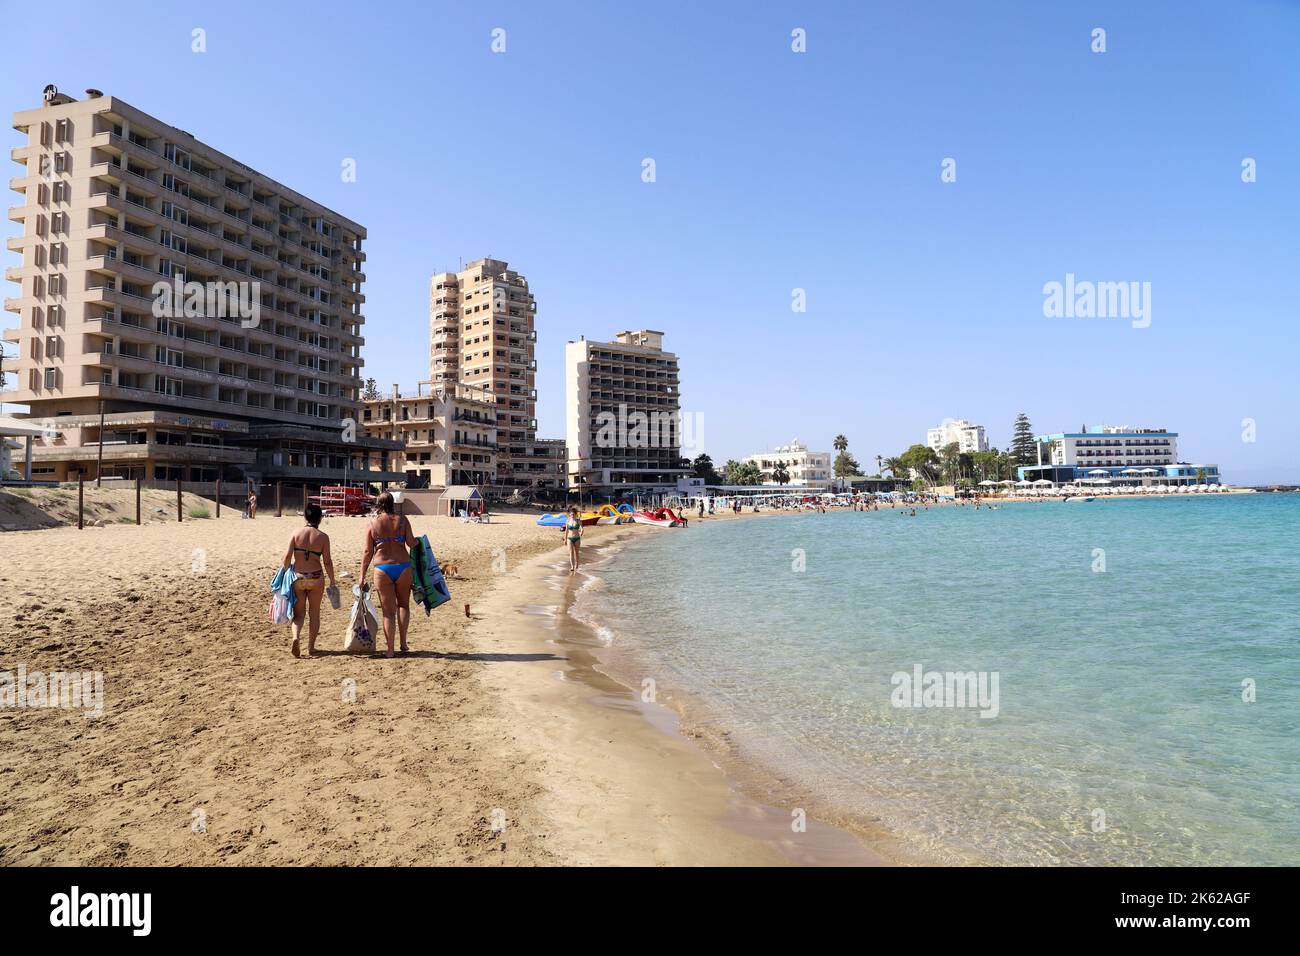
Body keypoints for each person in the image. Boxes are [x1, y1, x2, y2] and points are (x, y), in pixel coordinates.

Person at [360, 492, 415, 658]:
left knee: (387, 612)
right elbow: (411, 543)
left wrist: (362, 575)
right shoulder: (403, 520)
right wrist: (419, 542)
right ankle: (403, 643)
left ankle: (390, 650)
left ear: (379, 504)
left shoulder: (372, 524)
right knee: (404, 605)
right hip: (403, 566)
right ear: (393, 503)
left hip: (382, 568)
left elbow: (368, 551)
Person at [281, 503, 335, 658]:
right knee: (314, 613)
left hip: (298, 577)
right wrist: (332, 580)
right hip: (316, 578)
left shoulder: (295, 533)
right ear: (320, 518)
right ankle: (311, 647)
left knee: (298, 614)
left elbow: (286, 558)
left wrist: (283, 573)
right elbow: (327, 562)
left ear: (305, 516)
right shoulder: (323, 537)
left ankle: (296, 638)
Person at [564, 506, 583, 573]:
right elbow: (566, 531)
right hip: (570, 538)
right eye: (571, 514)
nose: (572, 515)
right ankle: (572, 566)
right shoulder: (568, 521)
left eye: (573, 514)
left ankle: (577, 564)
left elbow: (581, 528)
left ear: (575, 514)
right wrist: (565, 539)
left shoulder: (578, 520)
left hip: (577, 538)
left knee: (576, 552)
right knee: (571, 552)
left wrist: (582, 531)